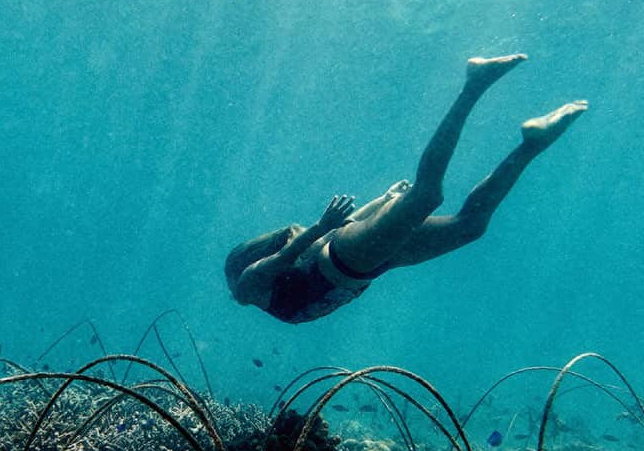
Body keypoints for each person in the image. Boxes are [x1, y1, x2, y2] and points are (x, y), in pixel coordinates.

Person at [224, 54, 587, 324]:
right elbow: (342, 233)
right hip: (370, 263)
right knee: (470, 227)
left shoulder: (247, 287)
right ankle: (532, 144)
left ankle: (474, 84)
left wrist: (324, 226)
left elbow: (295, 254)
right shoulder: (275, 282)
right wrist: (382, 201)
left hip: (348, 261)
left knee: (428, 195)